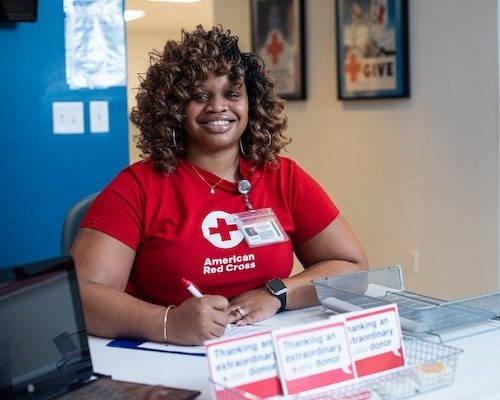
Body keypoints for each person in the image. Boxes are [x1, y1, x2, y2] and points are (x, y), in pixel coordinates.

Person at [70, 25, 368, 346]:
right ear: (174, 108)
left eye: (232, 93)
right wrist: (169, 322)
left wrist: (278, 294)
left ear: (251, 103)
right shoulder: (137, 187)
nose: (217, 106)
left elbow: (354, 270)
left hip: (262, 350)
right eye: (199, 96)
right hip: (164, 355)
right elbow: (80, 295)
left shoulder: (282, 176)